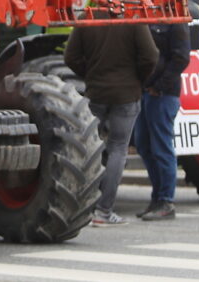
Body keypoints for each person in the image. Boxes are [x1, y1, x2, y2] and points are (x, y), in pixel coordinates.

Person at [64, 12, 159, 226]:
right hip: (126, 94)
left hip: (96, 93)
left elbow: (70, 56)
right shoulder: (132, 19)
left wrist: (89, 74)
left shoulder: (88, 17)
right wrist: (138, 79)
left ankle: (85, 207)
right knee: (118, 149)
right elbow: (150, 56)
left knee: (90, 150)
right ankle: (104, 211)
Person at [133, 0, 191, 221]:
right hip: (146, 92)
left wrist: (159, 86)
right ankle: (157, 197)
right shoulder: (147, 17)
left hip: (163, 94)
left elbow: (181, 58)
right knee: (144, 144)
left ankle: (166, 200)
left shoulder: (174, 19)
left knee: (161, 147)